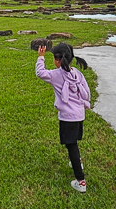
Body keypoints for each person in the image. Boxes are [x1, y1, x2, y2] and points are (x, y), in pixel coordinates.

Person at [35, 42, 91, 193]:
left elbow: (40, 73)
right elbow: (86, 92)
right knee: (71, 143)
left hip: (67, 118)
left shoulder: (56, 75)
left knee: (71, 145)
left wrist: (40, 57)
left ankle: (81, 181)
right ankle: (76, 162)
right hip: (79, 116)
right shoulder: (77, 74)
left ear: (57, 60)